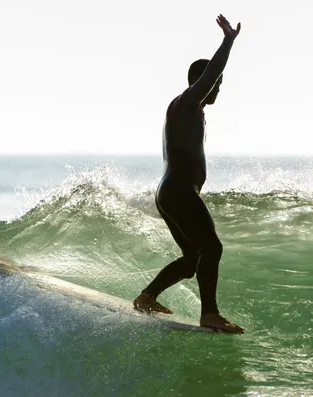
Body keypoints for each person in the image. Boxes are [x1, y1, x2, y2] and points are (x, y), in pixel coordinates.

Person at [133, 14, 244, 334]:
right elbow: (211, 74)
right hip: (179, 189)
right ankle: (209, 313)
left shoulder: (191, 111)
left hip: (171, 190)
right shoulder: (187, 102)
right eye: (215, 85)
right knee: (212, 249)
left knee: (193, 258)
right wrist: (228, 41)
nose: (218, 90)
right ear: (200, 83)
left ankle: (147, 298)